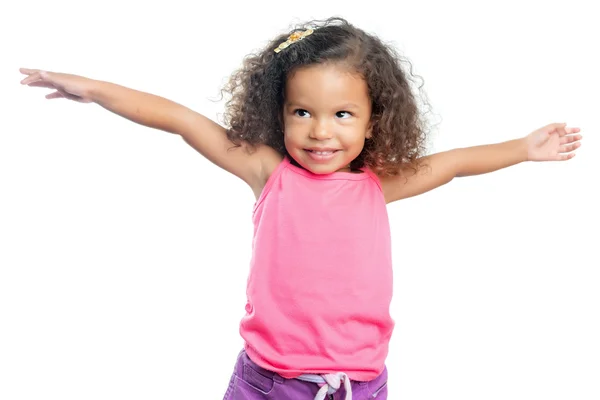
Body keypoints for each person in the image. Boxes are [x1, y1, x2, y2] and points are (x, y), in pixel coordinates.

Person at [19, 16, 581, 400]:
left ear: (371, 120)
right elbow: (180, 119)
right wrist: (93, 88)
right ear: (279, 111)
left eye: (341, 115)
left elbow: (456, 161)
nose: (319, 132)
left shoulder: (378, 184)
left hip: (359, 386)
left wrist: (524, 150)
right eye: (301, 112)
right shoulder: (268, 174)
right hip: (269, 383)